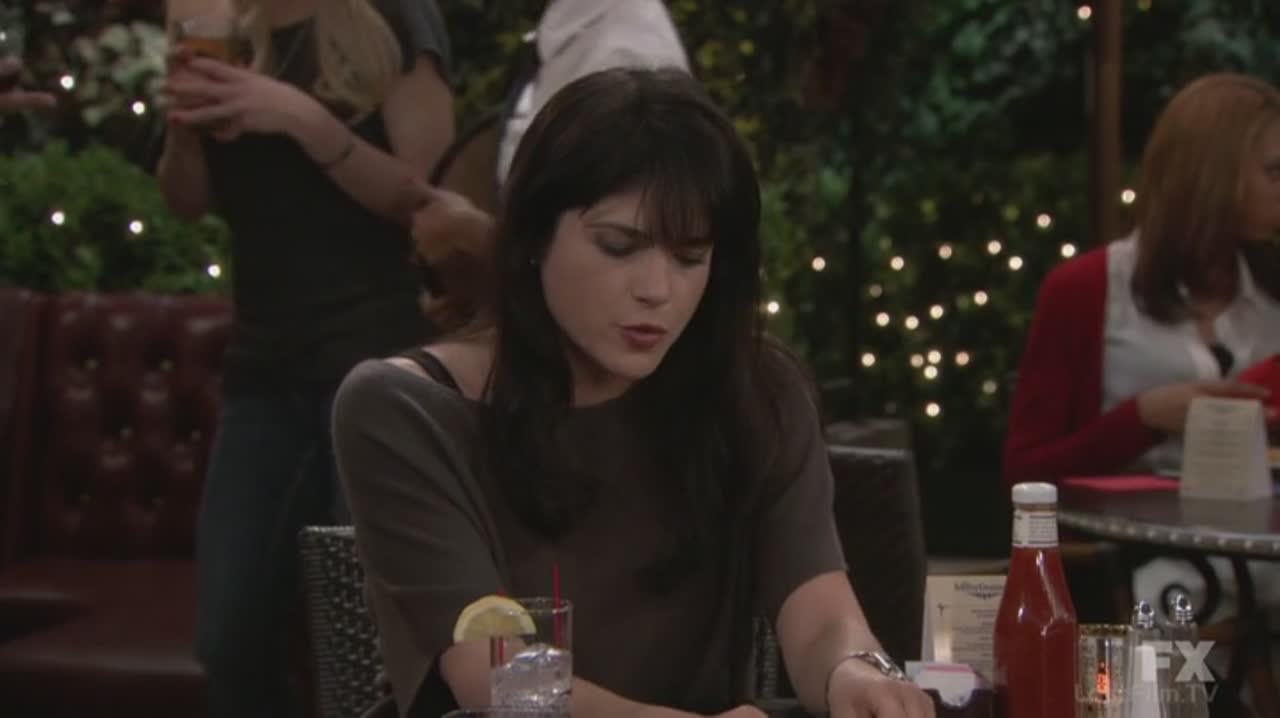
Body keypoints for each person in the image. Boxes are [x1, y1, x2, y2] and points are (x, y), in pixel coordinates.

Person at [333, 68, 934, 718]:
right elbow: (499, 680)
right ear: (532, 236)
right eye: (620, 247)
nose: (657, 290)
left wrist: (855, 671)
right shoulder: (403, 409)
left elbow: (820, 614)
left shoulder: (758, 392)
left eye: (690, 257)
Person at [156, 0, 454, 715]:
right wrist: (183, 137)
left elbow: (432, 200)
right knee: (228, 640)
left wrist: (303, 120)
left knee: (370, 650)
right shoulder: (216, 21)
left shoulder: (392, 17)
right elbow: (185, 203)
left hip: (378, 372)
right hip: (263, 369)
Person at [1004, 73, 1280, 487]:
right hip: (1126, 528)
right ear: (1212, 173)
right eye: (1275, 171)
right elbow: (1025, 474)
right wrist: (1143, 418)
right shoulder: (1086, 288)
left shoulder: (1270, 288)